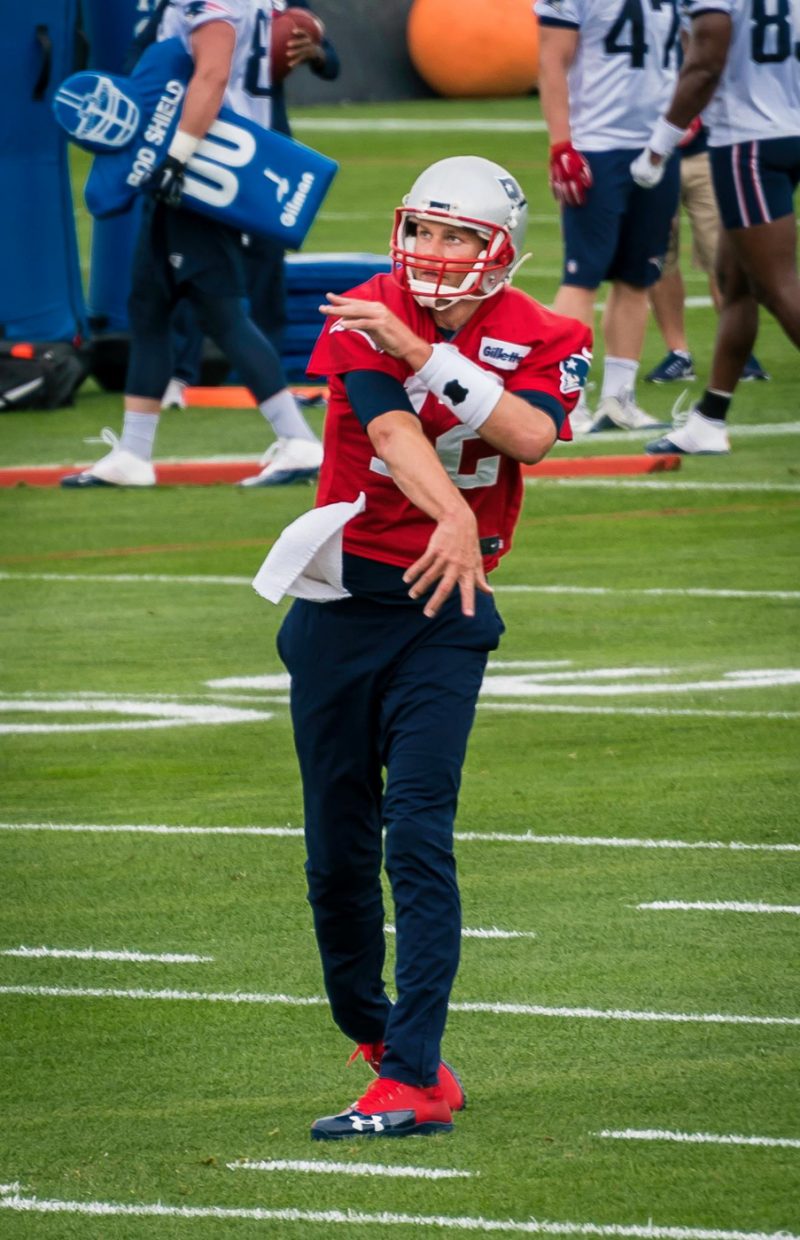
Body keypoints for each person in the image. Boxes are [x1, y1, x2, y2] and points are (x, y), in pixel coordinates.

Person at [266, 156, 591, 1139]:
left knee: (415, 833)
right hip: (343, 603)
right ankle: (379, 1037)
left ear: (501, 250)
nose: (434, 251)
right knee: (335, 856)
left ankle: (410, 1078)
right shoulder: (365, 306)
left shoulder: (547, 333)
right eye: (423, 229)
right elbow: (391, 432)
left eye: (459, 236)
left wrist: (424, 350)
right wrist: (452, 510)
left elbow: (529, 436)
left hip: (447, 610)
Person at [63, 0, 324, 489]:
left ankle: (299, 441)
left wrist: (177, 156)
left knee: (221, 312)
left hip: (202, 164)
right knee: (149, 305)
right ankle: (134, 453)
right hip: (199, 158)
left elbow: (212, 74)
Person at [631, 0, 800, 455]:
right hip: (785, 126)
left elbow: (707, 60)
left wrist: (658, 145)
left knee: (777, 286)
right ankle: (709, 419)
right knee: (734, 280)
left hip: (749, 141)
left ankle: (709, 421)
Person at [162, 0, 341, 412]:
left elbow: (331, 62)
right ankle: (178, 373)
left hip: (261, 139)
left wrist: (313, 51)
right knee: (192, 254)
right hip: (210, 133)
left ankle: (265, 379)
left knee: (265, 261)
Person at [535, 0, 682, 434]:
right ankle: (569, 398)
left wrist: (681, 116)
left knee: (638, 276)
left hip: (656, 146)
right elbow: (551, 59)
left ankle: (619, 399)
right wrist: (561, 144)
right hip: (595, 146)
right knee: (582, 276)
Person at [645, 119, 768, 385]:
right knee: (660, 256)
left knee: (723, 256)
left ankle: (739, 351)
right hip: (651, 156)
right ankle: (678, 353)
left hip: (707, 150)